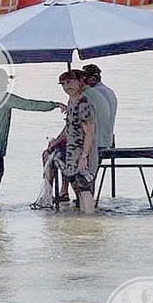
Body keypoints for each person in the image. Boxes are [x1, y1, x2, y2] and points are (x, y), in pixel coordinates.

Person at [0, 68, 65, 208]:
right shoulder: (5, 98)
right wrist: (54, 105)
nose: (7, 84)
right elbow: (29, 105)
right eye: (5, 82)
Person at [57, 70, 97, 214]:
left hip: (83, 150)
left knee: (84, 186)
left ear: (80, 82)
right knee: (76, 185)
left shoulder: (84, 103)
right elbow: (69, 128)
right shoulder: (72, 101)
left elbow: (90, 133)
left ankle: (90, 219)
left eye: (71, 81)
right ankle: (83, 221)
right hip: (72, 151)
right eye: (64, 83)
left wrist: (84, 156)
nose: (67, 86)